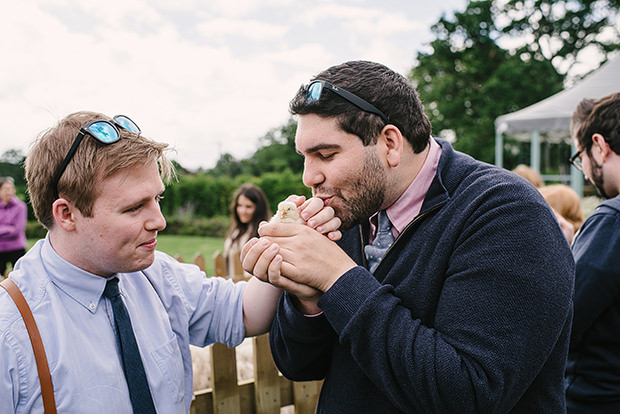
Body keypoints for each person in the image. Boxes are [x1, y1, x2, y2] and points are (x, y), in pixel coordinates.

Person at [241, 61, 575, 413]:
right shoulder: (349, 208)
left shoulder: (506, 214)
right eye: (304, 158)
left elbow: (468, 395)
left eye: (325, 155)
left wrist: (338, 278)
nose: (310, 177)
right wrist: (308, 299)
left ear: (389, 143)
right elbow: (297, 366)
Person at [0, 111, 340, 413]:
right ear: (67, 213)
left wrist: (286, 231)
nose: (159, 221)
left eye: (157, 198)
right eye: (135, 207)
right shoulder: (9, 331)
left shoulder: (157, 276)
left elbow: (246, 312)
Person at [565, 92, 620, 413]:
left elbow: (565, 316)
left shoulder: (611, 219)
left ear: (599, 145)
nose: (584, 170)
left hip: (595, 397)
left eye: (580, 156)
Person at [224, 183, 270, 277]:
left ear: (258, 208)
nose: (242, 211)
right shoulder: (236, 231)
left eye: (248, 207)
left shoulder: (264, 232)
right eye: (239, 205)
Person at [0, 177, 27, 275]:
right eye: (6, 189)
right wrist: (8, 229)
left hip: (16, 248)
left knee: (21, 277)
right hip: (0, 249)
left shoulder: (21, 206)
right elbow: (12, 230)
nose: (9, 192)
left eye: (11, 189)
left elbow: (17, 230)